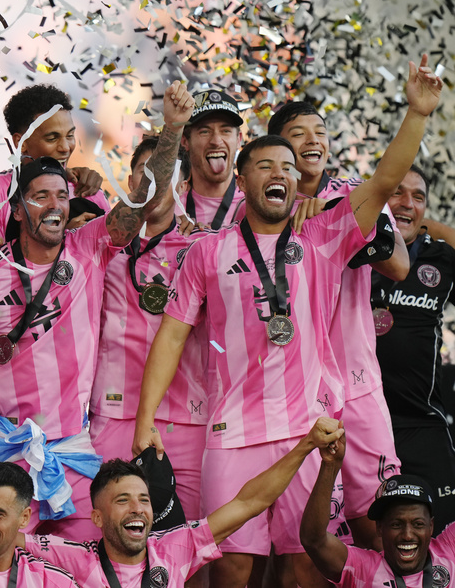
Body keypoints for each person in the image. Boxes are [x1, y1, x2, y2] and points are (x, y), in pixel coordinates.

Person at [133, 55, 443, 588]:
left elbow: (384, 180)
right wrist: (144, 422)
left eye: (287, 166)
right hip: (233, 435)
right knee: (231, 569)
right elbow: (171, 337)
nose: (279, 172)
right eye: (265, 165)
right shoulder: (208, 253)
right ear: (242, 175)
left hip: (309, 429)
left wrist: (416, 114)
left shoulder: (322, 239)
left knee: (304, 563)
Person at [0, 82, 194, 541]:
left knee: (84, 565)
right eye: (39, 197)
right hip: (2, 454)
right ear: (15, 208)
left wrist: (171, 130)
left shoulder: (88, 249)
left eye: (60, 196)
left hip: (72, 452)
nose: (53, 205)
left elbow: (143, 203)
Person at [0, 419, 345, 588]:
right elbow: (2, 532)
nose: (138, 508)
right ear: (97, 516)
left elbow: (251, 500)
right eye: (123, 500)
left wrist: (306, 446)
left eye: (143, 500)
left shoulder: (175, 548)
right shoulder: (74, 558)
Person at [268, 100, 407, 549]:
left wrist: (342, 216)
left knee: (378, 514)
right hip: (298, 387)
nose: (313, 140)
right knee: (304, 533)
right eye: (298, 133)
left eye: (320, 131)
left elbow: (401, 266)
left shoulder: (358, 193)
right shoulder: (265, 206)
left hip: (359, 378)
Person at [90, 137, 207, 522]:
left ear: (185, 186)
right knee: (109, 535)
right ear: (131, 180)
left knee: (188, 550)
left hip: (188, 419)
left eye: (168, 173)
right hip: (114, 413)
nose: (155, 182)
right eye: (146, 172)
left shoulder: (203, 249)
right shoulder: (101, 245)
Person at [374, 165, 455, 533]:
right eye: (397, 192)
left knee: (439, 541)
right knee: (367, 543)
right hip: (360, 425)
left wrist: (416, 221)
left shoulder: (440, 258)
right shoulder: (352, 251)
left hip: (423, 423)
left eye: (418, 196)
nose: (407, 203)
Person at [300, 435, 455, 586]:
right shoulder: (362, 568)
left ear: (431, 526)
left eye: (418, 524)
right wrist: (330, 465)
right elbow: (313, 540)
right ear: (380, 527)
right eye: (396, 524)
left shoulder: (449, 550)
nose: (407, 535)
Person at [0, 84, 108, 239]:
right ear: (21, 143)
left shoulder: (89, 192)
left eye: (69, 136)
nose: (65, 148)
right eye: (52, 138)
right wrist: (66, 238)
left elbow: (113, 259)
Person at [180, 89, 246, 230]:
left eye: (225, 131)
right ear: (185, 141)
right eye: (204, 131)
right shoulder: (170, 208)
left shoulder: (257, 202)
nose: (216, 141)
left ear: (238, 139)